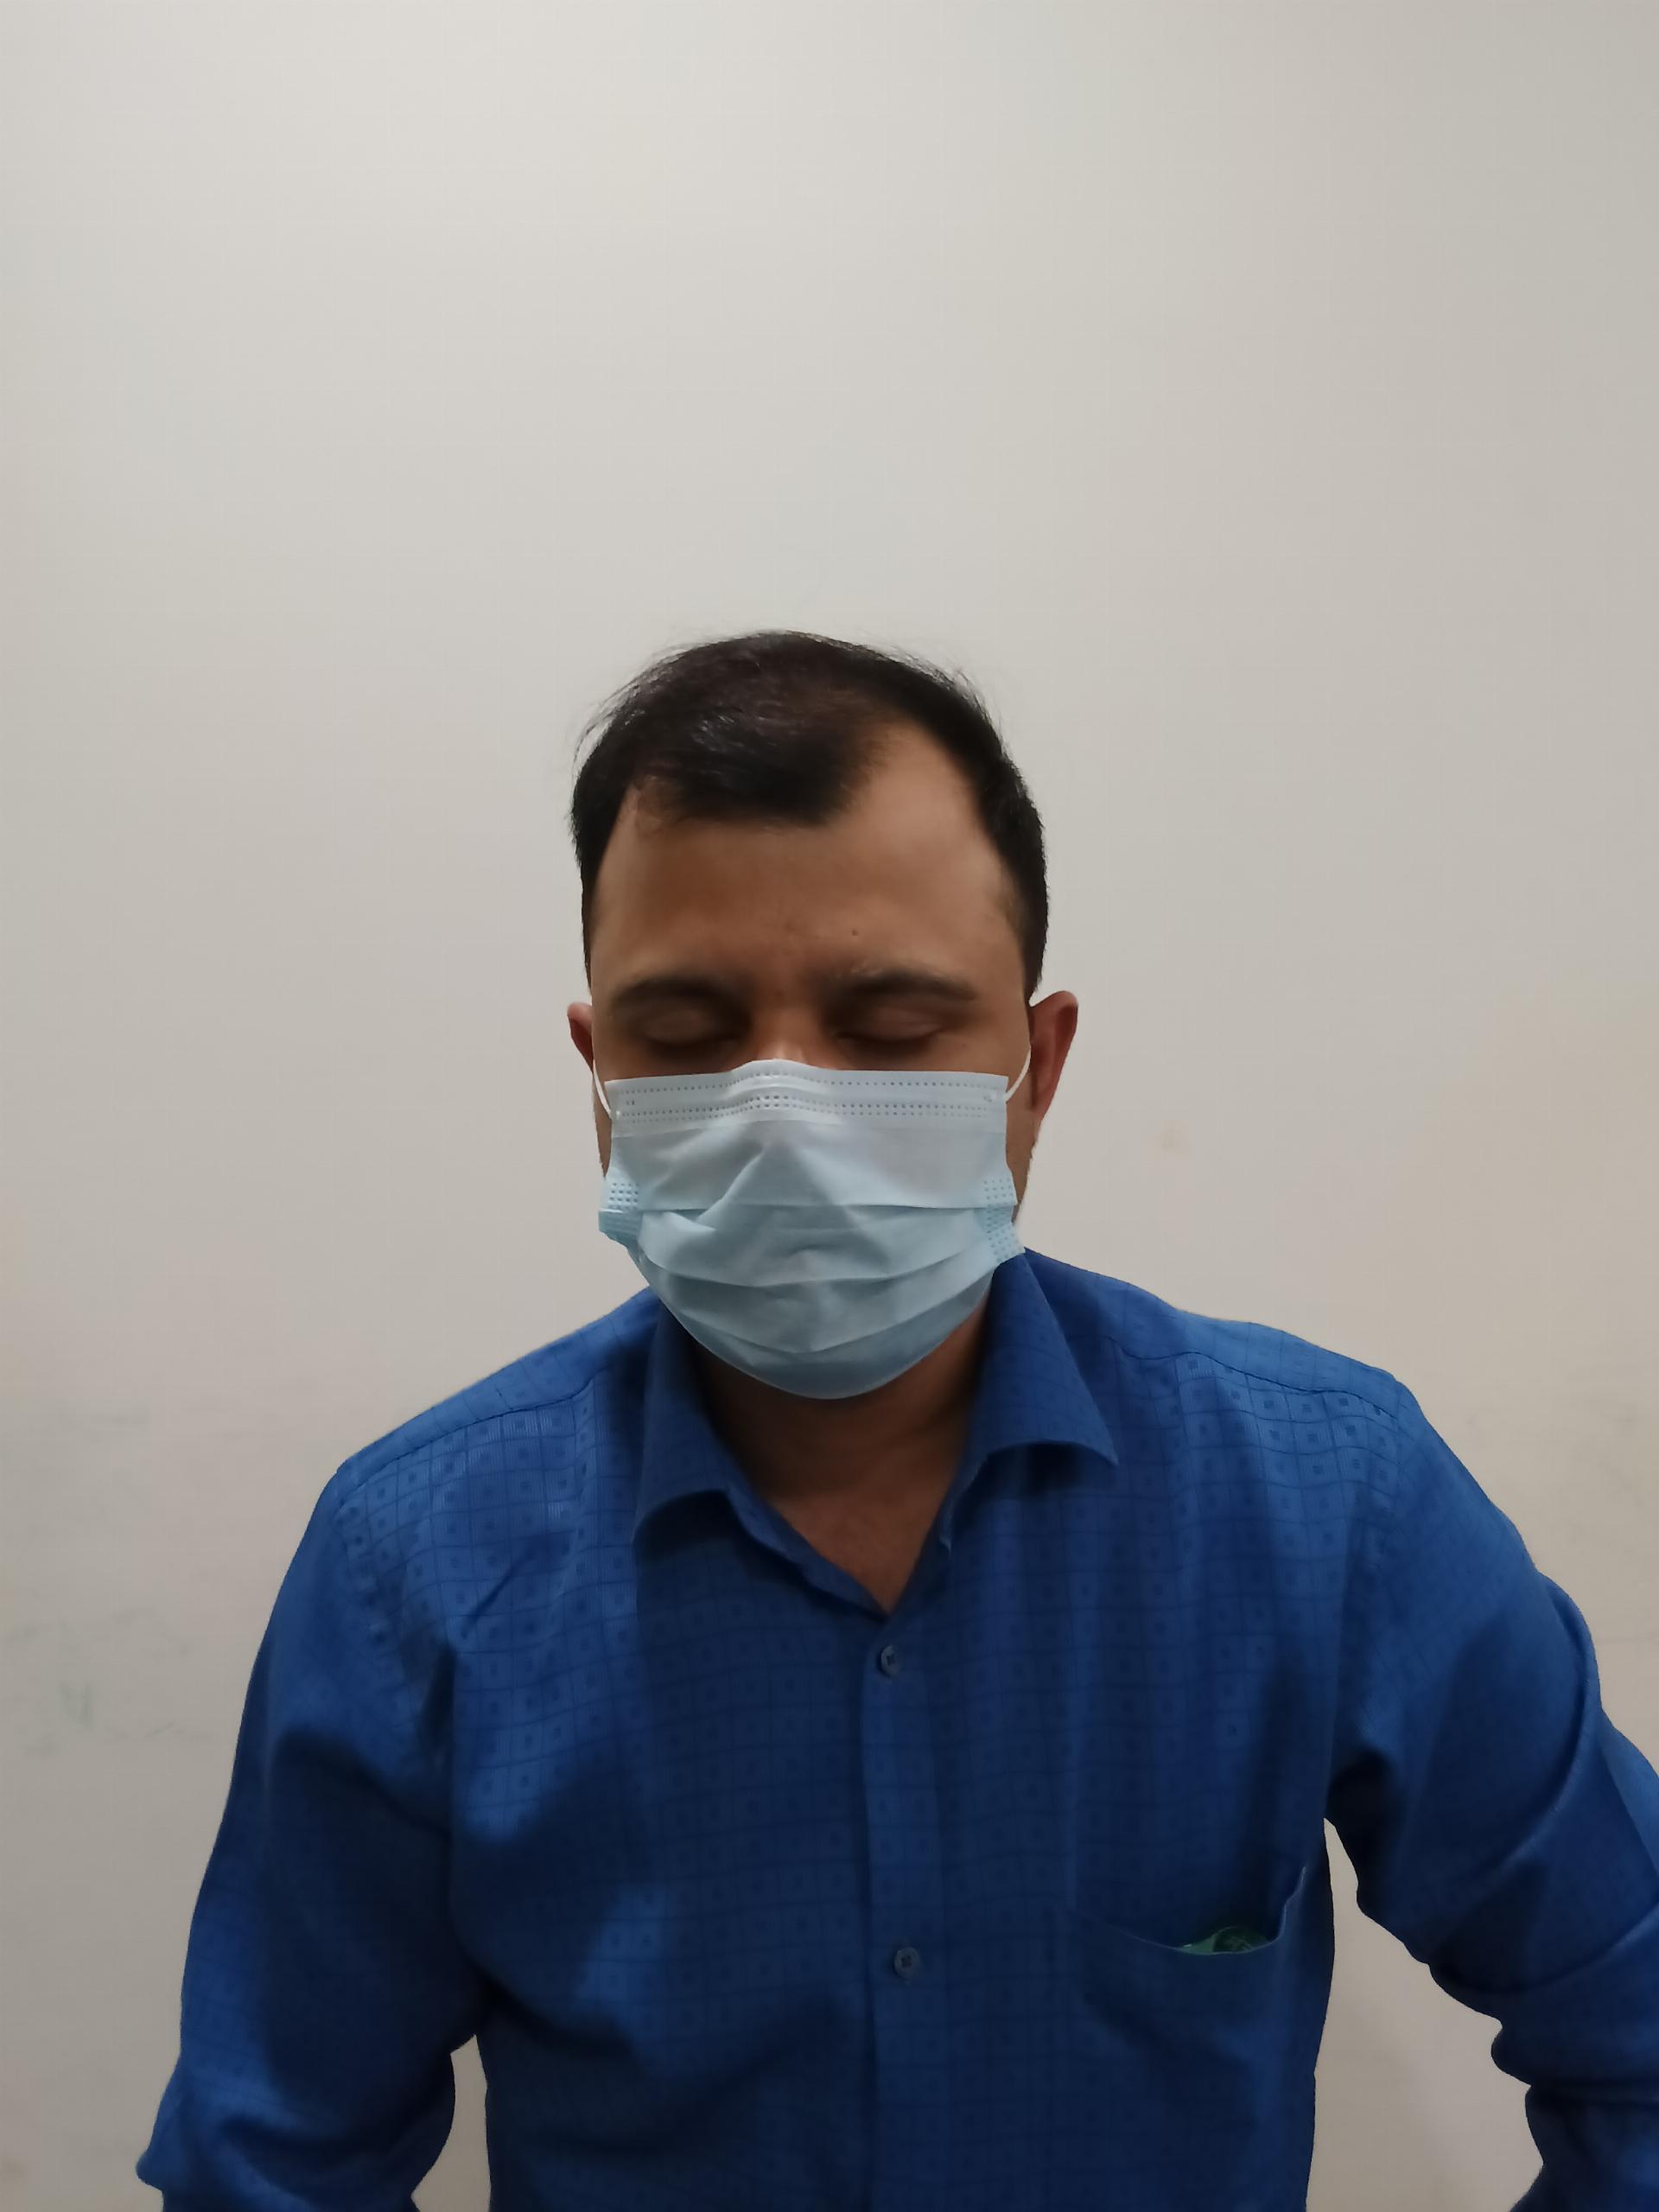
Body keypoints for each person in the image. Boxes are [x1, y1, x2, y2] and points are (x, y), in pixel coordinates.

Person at [137, 631, 1659, 2210]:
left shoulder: (1326, 1502)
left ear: (1037, 1065)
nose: (783, 1115)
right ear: (597, 1070)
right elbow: (274, 2170)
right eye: (688, 1029)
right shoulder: (416, 1568)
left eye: (888, 1023)